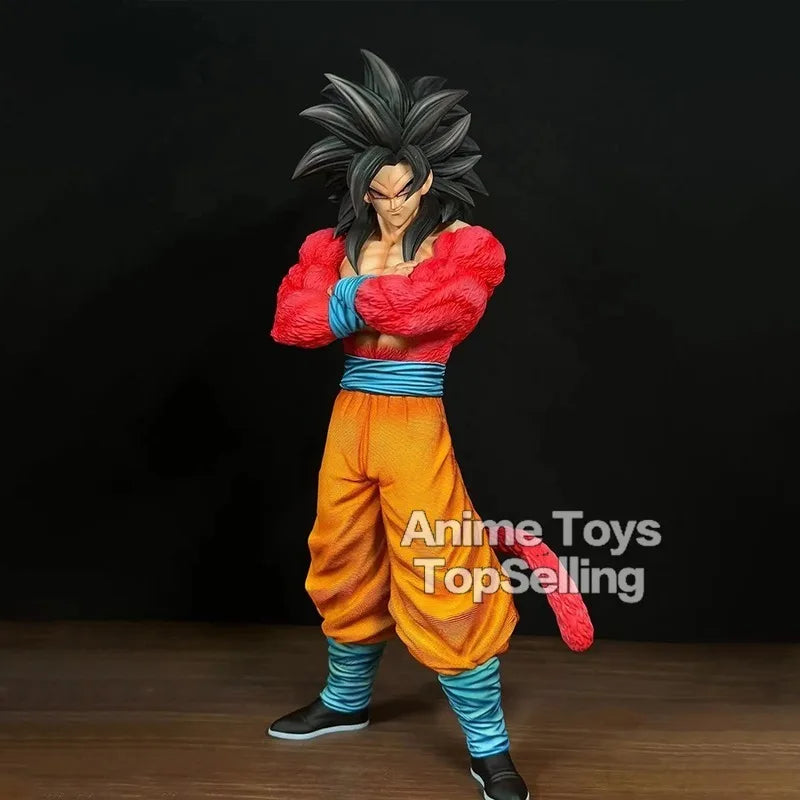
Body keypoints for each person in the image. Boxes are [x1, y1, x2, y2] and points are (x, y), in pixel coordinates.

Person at [268, 50, 592, 800]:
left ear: (428, 179)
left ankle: (489, 749)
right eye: (378, 192)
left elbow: (439, 311)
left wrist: (348, 300)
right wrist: (366, 299)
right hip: (350, 418)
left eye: (406, 189)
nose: (393, 206)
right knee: (341, 557)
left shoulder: (465, 246)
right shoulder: (331, 245)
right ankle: (345, 700)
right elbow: (290, 322)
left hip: (415, 421)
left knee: (442, 566)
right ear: (360, 186)